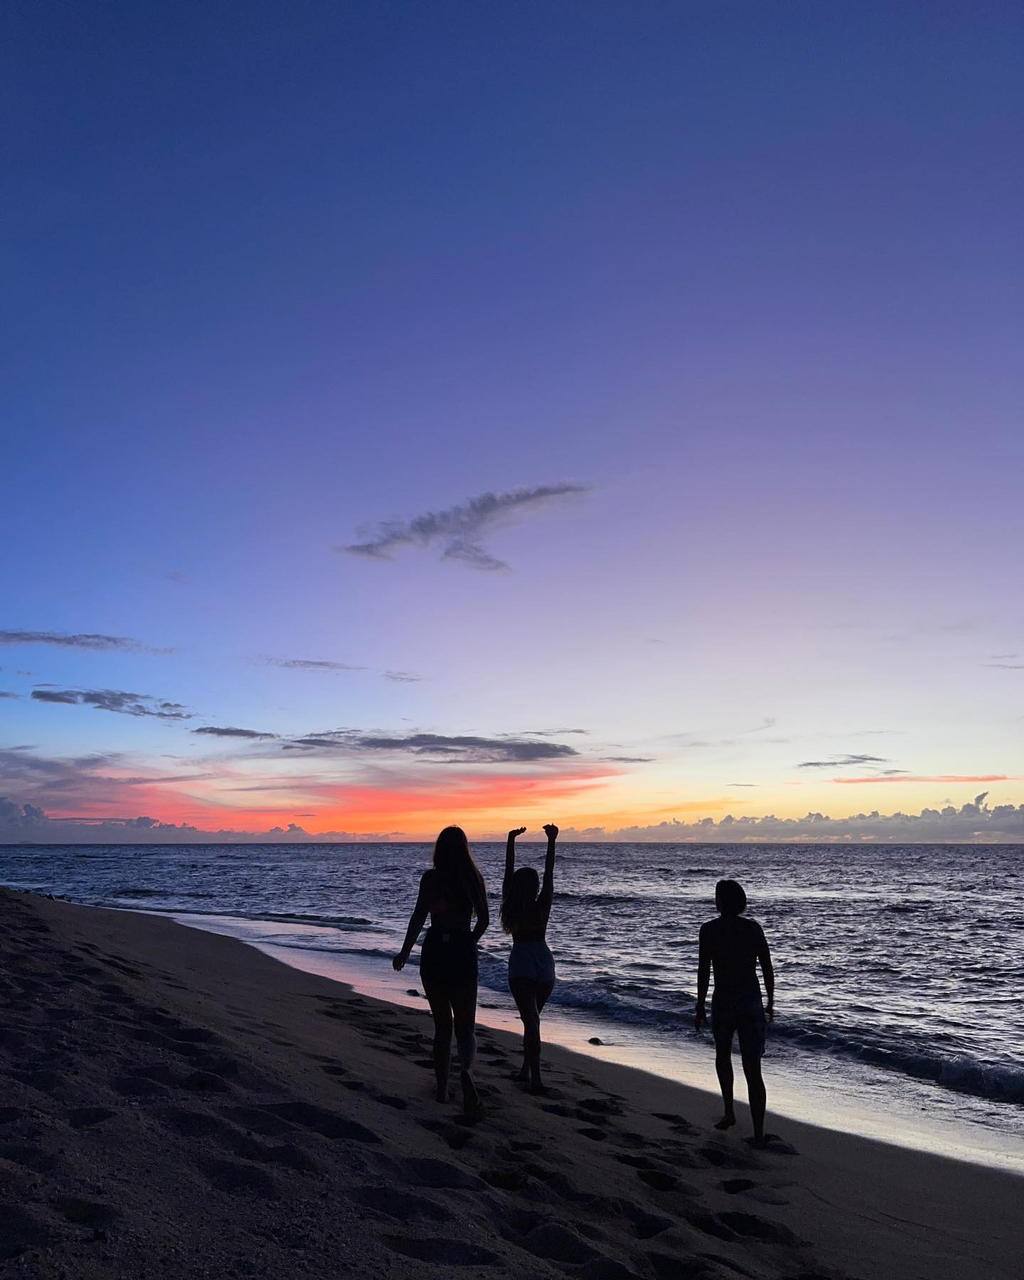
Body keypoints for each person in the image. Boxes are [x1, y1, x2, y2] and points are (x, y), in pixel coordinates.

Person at [393, 826, 489, 1115]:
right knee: (465, 1027)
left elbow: (419, 916)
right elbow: (483, 920)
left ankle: (443, 1092)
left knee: (442, 1028)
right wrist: (469, 941)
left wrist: (405, 950)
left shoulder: (431, 879)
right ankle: (468, 1072)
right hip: (461, 950)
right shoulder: (473, 878)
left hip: (434, 951)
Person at [694, 879, 775, 1146]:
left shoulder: (709, 930)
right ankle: (759, 1132)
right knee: (753, 1068)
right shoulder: (752, 929)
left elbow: (704, 970)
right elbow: (766, 967)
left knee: (723, 1056)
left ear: (721, 901)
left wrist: (700, 1005)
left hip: (724, 1001)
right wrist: (770, 1001)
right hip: (750, 1001)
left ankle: (729, 1111)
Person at [500, 823, 558, 1094]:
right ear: (533, 887)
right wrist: (551, 841)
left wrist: (511, 842)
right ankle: (527, 1071)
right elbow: (549, 874)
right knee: (532, 1021)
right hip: (544, 963)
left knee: (531, 1021)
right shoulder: (542, 905)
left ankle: (534, 1077)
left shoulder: (511, 906)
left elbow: (507, 876)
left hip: (522, 961)